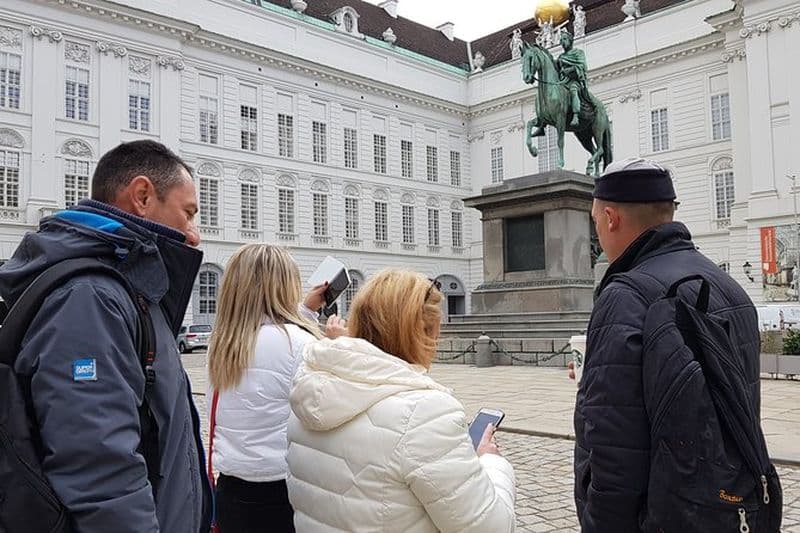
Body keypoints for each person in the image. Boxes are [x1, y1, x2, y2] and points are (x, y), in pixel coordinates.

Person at [0, 140, 211, 532]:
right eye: (188, 213)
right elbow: (100, 469)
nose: (194, 235)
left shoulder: (126, 289)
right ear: (143, 196)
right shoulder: (92, 297)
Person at [573, 158, 762, 531]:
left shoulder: (625, 298)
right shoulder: (731, 288)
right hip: (730, 507)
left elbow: (614, 449)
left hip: (663, 515)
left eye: (596, 223)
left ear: (611, 218)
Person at [286, 270, 516, 532]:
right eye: (436, 333)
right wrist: (491, 462)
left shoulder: (308, 391)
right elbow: (490, 527)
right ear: (422, 334)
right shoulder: (423, 411)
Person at [206, 244, 346, 533]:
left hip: (231, 489)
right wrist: (339, 346)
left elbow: (268, 348)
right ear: (285, 288)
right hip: (281, 491)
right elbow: (331, 410)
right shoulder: (300, 343)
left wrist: (306, 311)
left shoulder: (221, 344)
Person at [556, 30, 587, 127]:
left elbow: (582, 66)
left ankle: (576, 115)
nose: (563, 42)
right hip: (563, 82)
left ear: (570, 40)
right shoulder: (561, 57)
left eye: (565, 39)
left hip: (575, 81)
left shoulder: (578, 53)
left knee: (573, 90)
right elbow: (556, 69)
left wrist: (570, 70)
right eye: (561, 40)